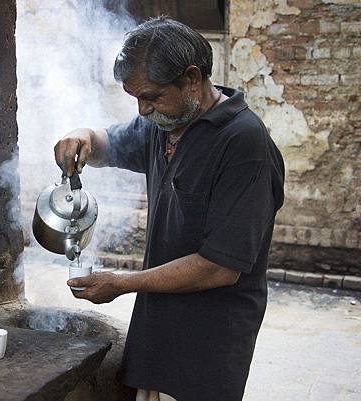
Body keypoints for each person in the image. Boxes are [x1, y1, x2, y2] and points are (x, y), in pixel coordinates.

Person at [54, 17, 285, 401]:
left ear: (192, 78)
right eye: (136, 99)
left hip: (209, 341)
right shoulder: (165, 122)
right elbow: (109, 142)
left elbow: (219, 266)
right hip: (156, 326)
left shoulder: (245, 145)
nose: (143, 110)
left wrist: (122, 283)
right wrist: (83, 137)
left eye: (152, 96)